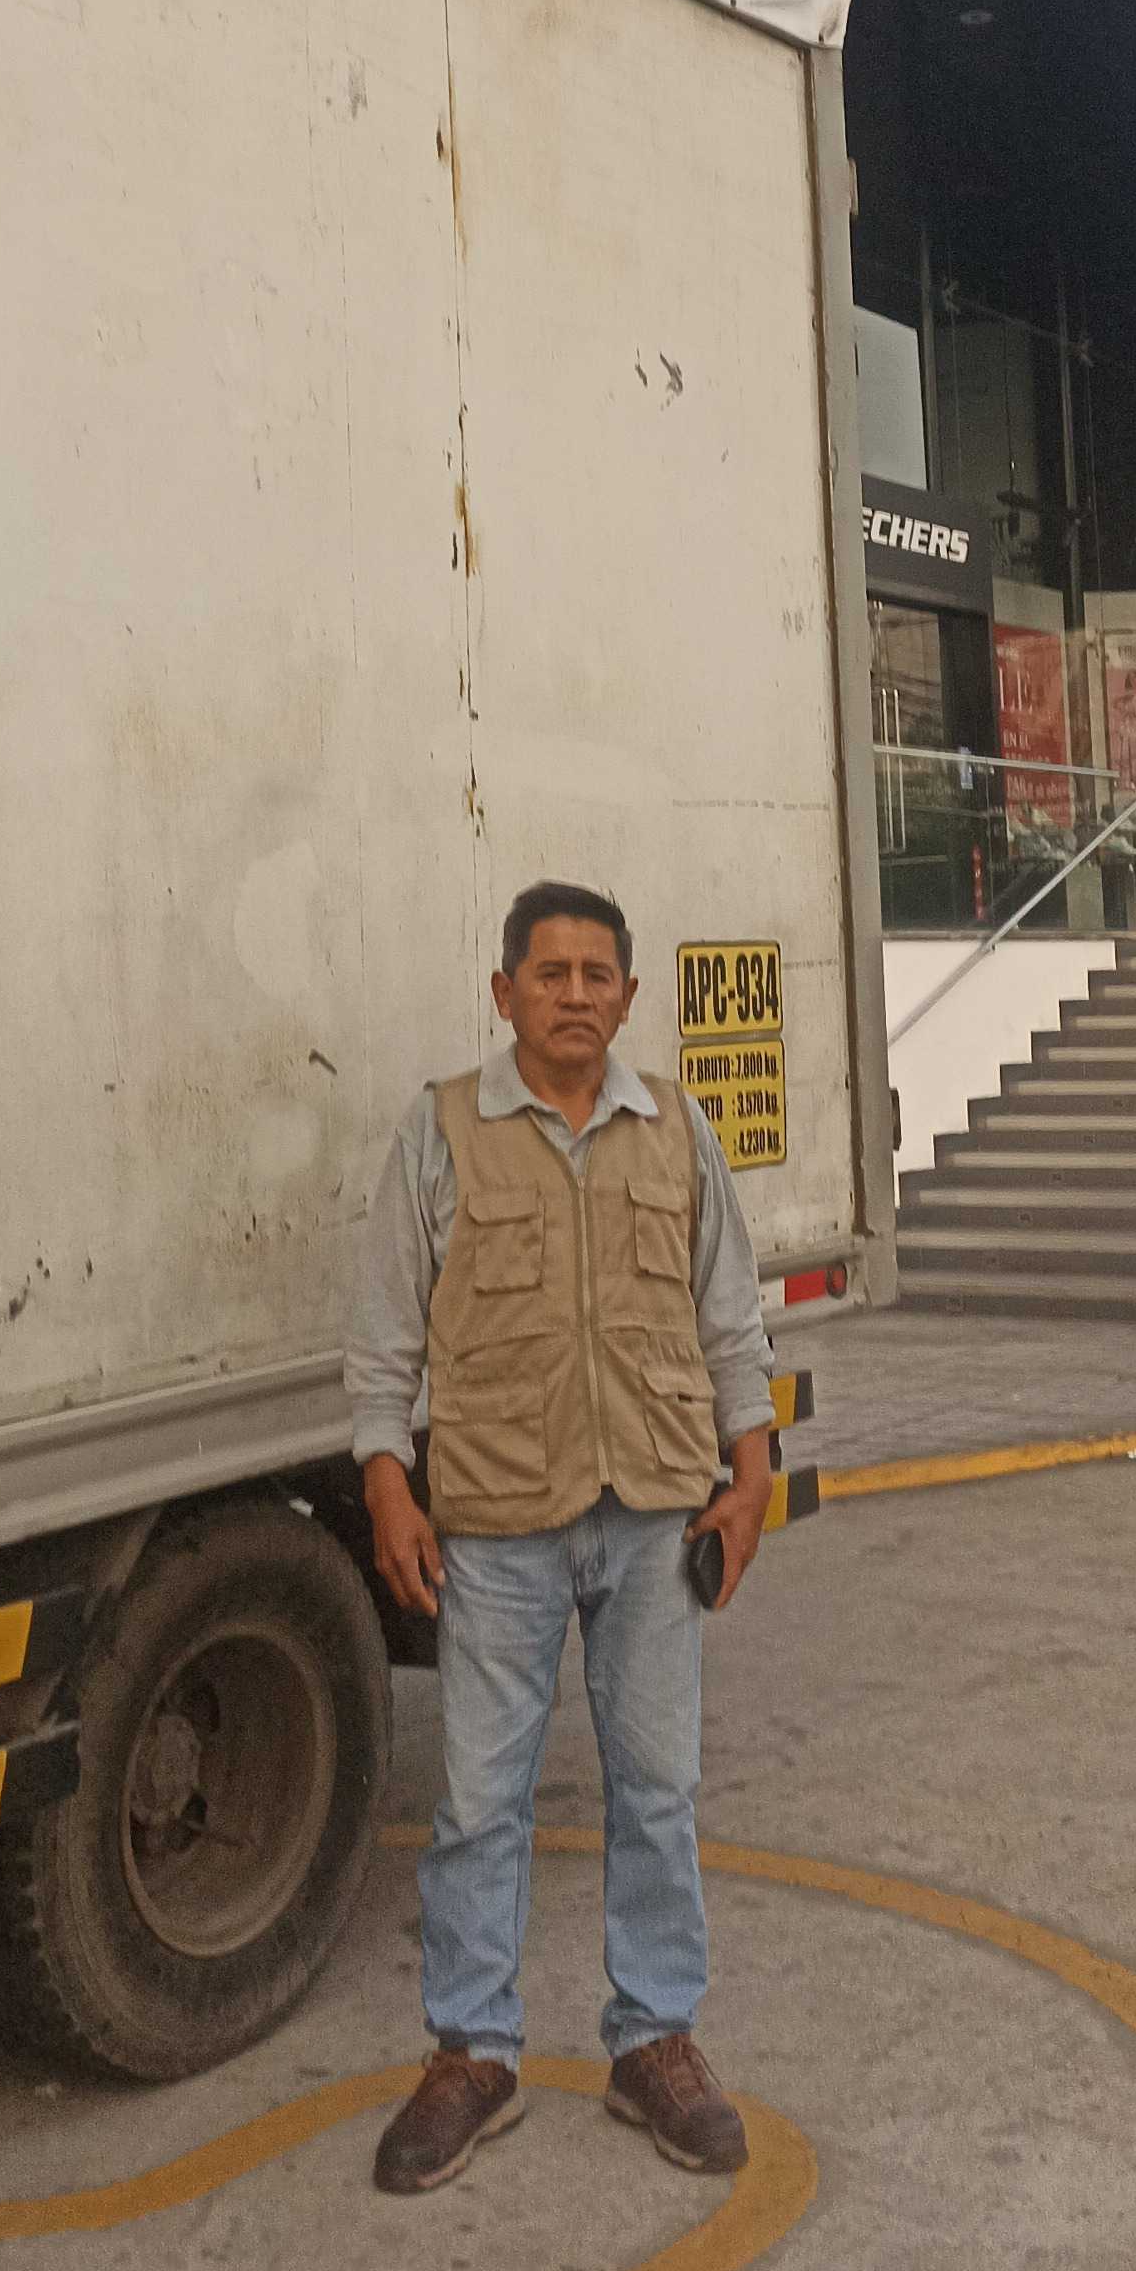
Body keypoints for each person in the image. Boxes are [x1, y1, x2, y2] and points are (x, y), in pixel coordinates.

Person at [345, 878, 775, 2198]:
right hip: (498, 1524)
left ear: (628, 998)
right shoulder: (441, 1132)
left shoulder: (676, 1129)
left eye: (598, 975)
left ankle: (655, 2042)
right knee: (480, 1804)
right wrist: (387, 1485)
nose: (575, 995)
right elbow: (385, 1336)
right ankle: (472, 2054)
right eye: (551, 973)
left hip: (651, 1516)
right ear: (505, 993)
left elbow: (728, 1316)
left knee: (659, 1789)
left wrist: (752, 1470)